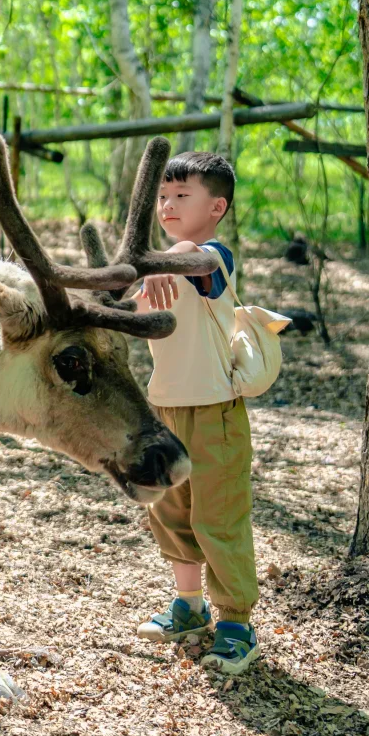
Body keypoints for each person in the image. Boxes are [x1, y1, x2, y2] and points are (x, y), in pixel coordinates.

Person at [135, 150, 259, 677]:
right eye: (163, 197)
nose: (167, 205)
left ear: (217, 207)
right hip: (163, 408)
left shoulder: (214, 258)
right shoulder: (152, 271)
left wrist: (177, 253)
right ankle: (189, 608)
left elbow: (203, 263)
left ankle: (236, 623)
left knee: (218, 517)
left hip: (214, 414)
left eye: (182, 196)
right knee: (170, 511)